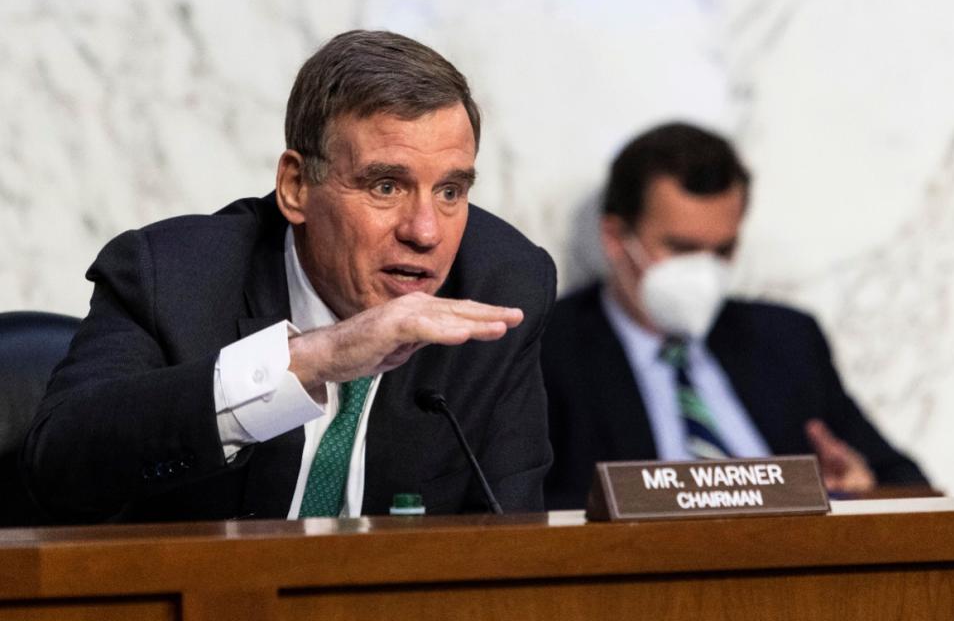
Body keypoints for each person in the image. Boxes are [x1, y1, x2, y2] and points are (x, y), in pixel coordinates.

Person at [22, 30, 556, 523]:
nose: (425, 232)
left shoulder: (500, 286)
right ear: (296, 186)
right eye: (386, 186)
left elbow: (513, 543)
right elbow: (58, 465)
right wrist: (310, 360)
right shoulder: (172, 275)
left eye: (450, 192)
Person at [542, 122, 927, 509]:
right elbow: (521, 513)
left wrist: (856, 490)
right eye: (681, 248)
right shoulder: (547, 350)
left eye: (722, 251)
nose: (704, 272)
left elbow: (914, 490)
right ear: (615, 238)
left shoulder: (786, 339)